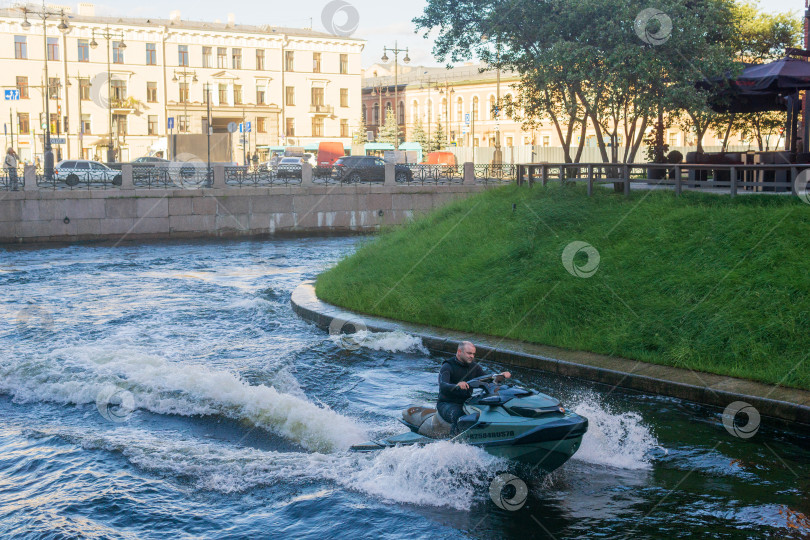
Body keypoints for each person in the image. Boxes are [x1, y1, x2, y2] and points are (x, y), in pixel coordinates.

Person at [437, 341, 511, 433]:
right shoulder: (447, 366)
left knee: (484, 412)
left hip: (466, 403)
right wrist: (457, 385)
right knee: (460, 416)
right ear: (459, 352)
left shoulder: (474, 367)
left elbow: (488, 380)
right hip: (446, 404)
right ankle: (454, 444)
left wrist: (501, 376)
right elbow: (443, 385)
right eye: (469, 353)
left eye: (473, 354)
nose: (472, 356)